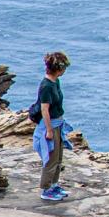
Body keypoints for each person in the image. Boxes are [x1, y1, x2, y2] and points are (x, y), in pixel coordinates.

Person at [33, 51, 72, 201]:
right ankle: (46, 189)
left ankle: (54, 185)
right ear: (59, 68)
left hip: (58, 123)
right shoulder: (46, 86)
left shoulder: (56, 82)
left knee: (58, 157)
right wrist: (49, 130)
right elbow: (44, 109)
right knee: (51, 158)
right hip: (50, 126)